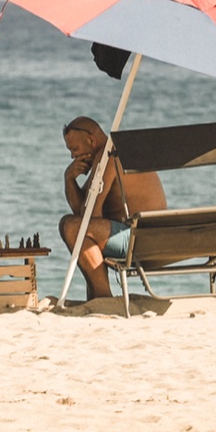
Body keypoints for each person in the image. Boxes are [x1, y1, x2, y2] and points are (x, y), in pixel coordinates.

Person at [58, 116, 166, 301]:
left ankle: (103, 297)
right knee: (71, 224)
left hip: (141, 239)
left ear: (91, 141)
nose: (73, 156)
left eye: (74, 149)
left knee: (72, 227)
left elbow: (88, 216)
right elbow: (83, 208)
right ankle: (97, 298)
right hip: (155, 236)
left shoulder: (110, 155)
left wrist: (69, 180)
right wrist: (69, 179)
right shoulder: (115, 151)